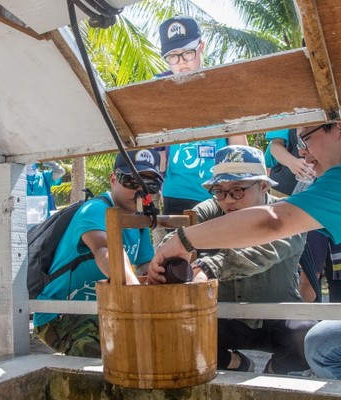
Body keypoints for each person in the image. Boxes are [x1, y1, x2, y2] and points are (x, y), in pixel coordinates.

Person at [150, 117, 341, 387]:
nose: (304, 156)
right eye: (220, 191)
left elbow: (273, 222)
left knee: (322, 348)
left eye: (306, 141)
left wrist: (185, 241)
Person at [151, 145, 315, 374]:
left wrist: (209, 266)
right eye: (219, 191)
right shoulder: (211, 208)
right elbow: (176, 236)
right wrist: (166, 261)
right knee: (175, 333)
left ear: (264, 186)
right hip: (224, 318)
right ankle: (237, 364)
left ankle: (271, 376)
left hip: (276, 316)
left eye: (238, 190)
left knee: (307, 338)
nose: (228, 200)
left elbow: (259, 253)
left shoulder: (289, 213)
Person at [32, 150, 163, 358]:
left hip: (103, 310)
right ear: (113, 179)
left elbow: (147, 267)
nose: (139, 190)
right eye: (131, 181)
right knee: (116, 356)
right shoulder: (94, 210)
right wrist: (137, 299)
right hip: (61, 314)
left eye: (149, 185)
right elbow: (106, 252)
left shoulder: (140, 221)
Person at [265, 128, 341, 304]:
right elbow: (275, 146)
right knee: (308, 277)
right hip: (305, 200)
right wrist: (293, 163)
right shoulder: (286, 110)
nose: (303, 150)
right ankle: (298, 329)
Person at [156, 16, 247, 215]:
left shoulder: (223, 87)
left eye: (188, 53)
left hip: (221, 193)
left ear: (202, 47)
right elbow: (158, 152)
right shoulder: (159, 91)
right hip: (177, 195)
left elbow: (238, 144)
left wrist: (242, 190)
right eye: (173, 56)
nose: (181, 63)